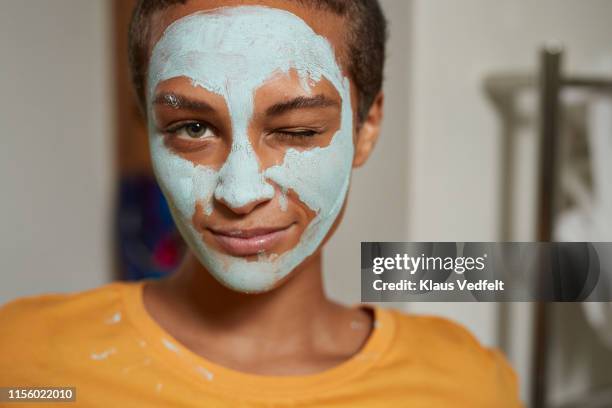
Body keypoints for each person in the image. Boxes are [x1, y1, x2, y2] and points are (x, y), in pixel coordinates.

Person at [0, 0, 522, 406]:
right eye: (193, 128)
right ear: (151, 128)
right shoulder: (24, 364)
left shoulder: (467, 386)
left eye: (296, 131)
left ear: (366, 129)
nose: (240, 191)